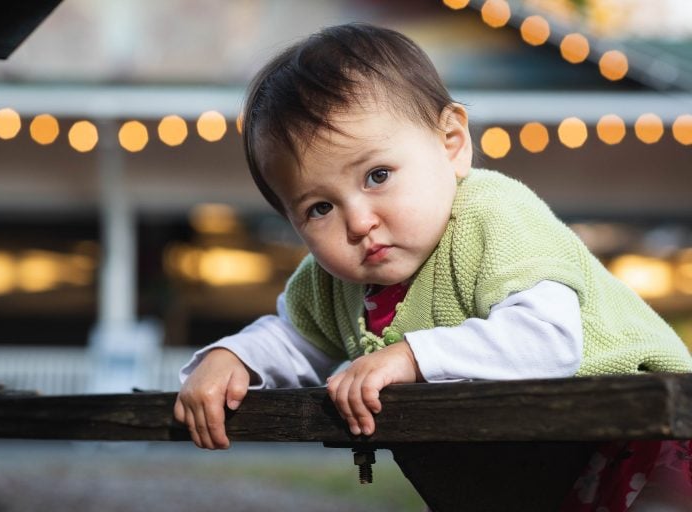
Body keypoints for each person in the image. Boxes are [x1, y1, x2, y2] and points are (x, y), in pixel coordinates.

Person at [174, 23, 692, 510]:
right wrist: (232, 360)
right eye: (319, 208)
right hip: (541, 457)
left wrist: (412, 358)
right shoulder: (330, 281)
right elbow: (293, 338)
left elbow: (547, 340)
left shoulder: (494, 215)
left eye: (378, 175)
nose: (358, 222)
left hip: (649, 432)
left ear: (452, 145)